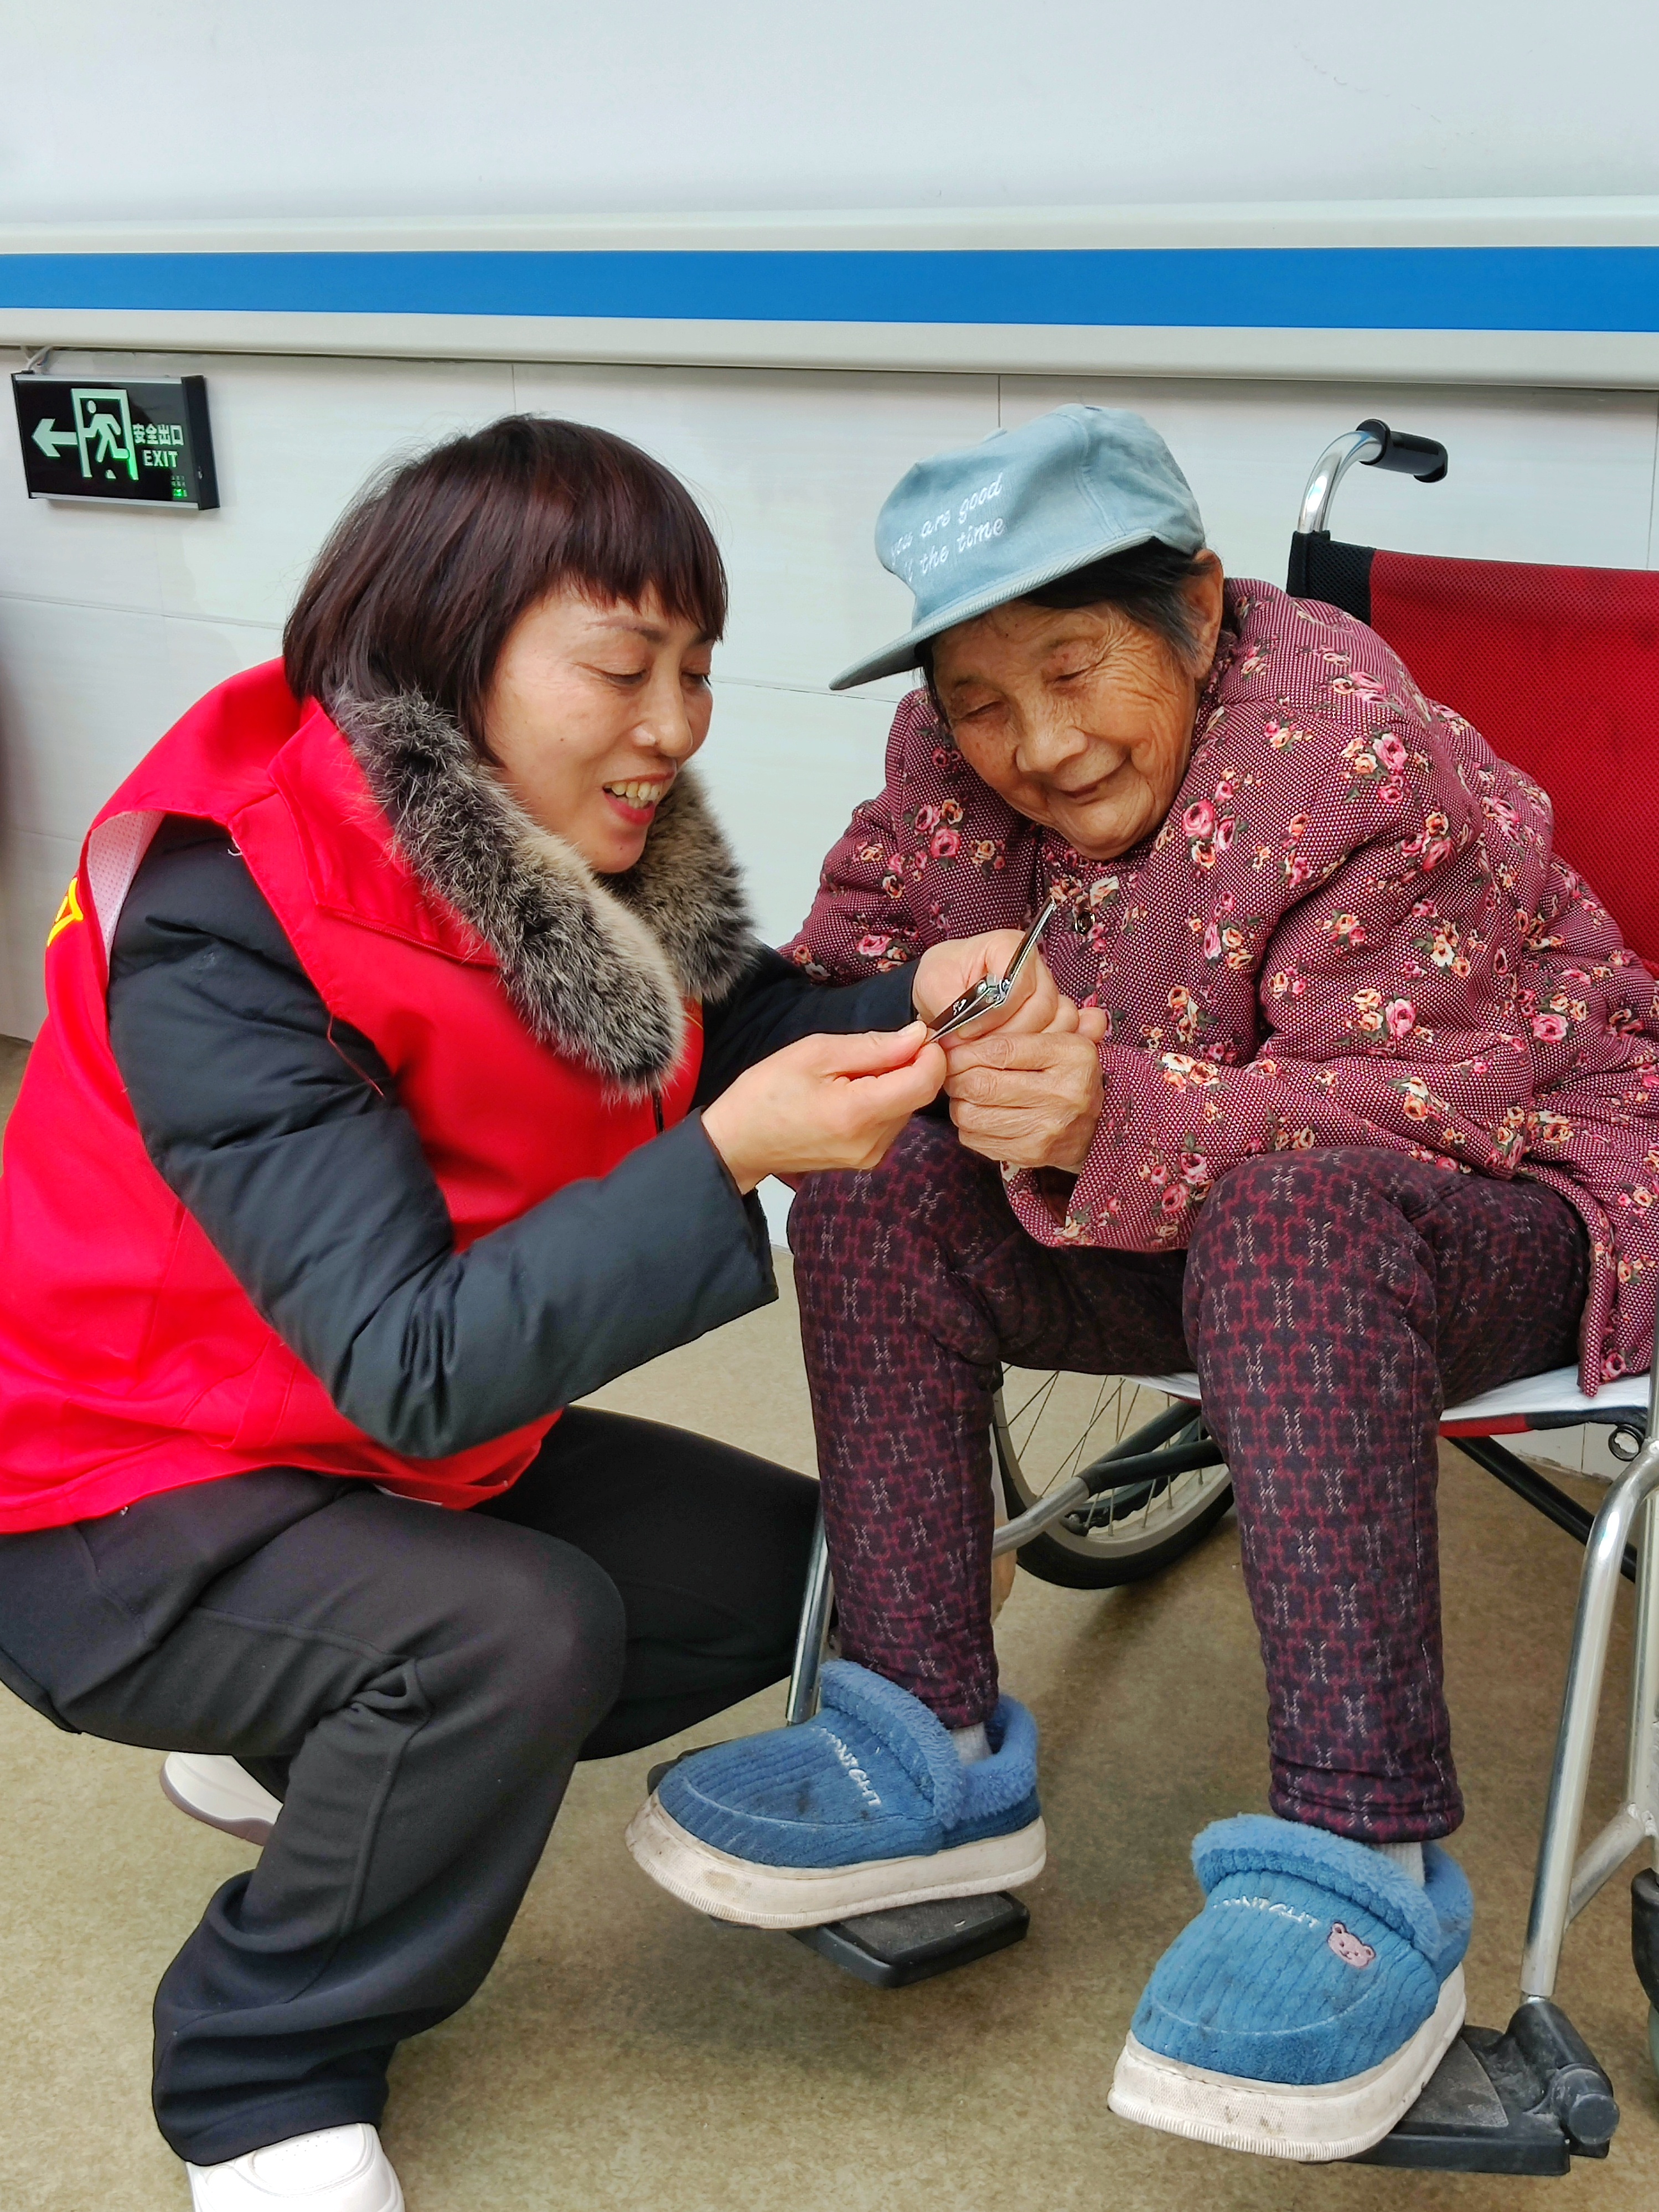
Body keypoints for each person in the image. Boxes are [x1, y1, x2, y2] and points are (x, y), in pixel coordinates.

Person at [0, 416, 1047, 2212]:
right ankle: (261, 2065)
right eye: (626, 669)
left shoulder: (570, 836)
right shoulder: (226, 917)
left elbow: (728, 1028)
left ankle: (297, 1732)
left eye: (697, 671)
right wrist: (730, 1158)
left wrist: (912, 1002)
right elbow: (411, 1361)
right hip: (118, 1489)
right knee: (519, 1634)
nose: (678, 724)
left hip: (375, 1449)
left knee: (844, 1567)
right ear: (443, 650)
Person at [625, 405, 1659, 2162]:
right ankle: (924, 1744)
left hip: (1521, 1187)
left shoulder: (1354, 750)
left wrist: (1117, 1107)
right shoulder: (947, 759)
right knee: (878, 1185)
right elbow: (835, 973)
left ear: (1194, 608)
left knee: (1290, 1221)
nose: (1035, 744)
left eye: (1074, 668)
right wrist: (900, 1032)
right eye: (978, 697)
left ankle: (1362, 1865)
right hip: (1182, 1217)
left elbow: (1439, 1101)